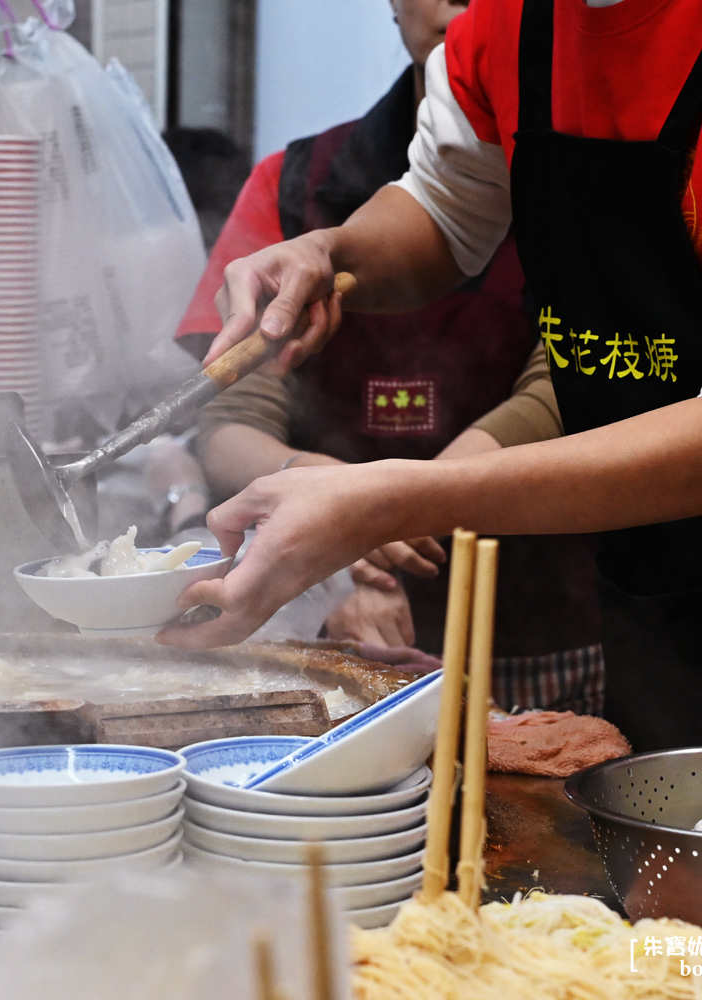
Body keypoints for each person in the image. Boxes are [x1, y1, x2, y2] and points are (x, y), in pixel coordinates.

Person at [158, 0, 702, 751]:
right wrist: (331, 254)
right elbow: (446, 207)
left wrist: (385, 500)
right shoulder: (505, 22)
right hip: (656, 586)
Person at [176, 0, 604, 713]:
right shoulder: (293, 185)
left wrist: (377, 505)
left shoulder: (580, 183)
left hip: (539, 622)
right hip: (334, 619)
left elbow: (571, 385)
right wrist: (336, 517)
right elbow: (229, 418)